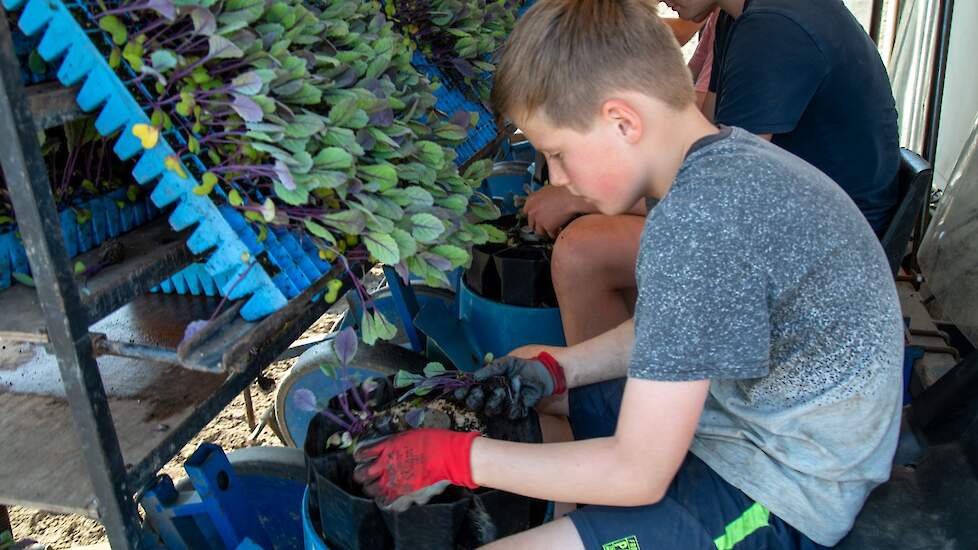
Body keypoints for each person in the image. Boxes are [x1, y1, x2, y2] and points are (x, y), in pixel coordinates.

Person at [352, 1, 904, 548]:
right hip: (737, 416)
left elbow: (638, 474)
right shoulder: (719, 164)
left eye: (559, 154)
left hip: (783, 484)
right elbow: (679, 328)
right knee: (532, 389)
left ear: (622, 121)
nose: (560, 177)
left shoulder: (701, 222)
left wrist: (452, 458)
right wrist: (558, 369)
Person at [531, 0, 901, 345]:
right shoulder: (736, 17)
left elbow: (718, 194)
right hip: (799, 223)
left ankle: (605, 405)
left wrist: (578, 197)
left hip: (828, 257)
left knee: (582, 250)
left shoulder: (773, 29)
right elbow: (697, 144)